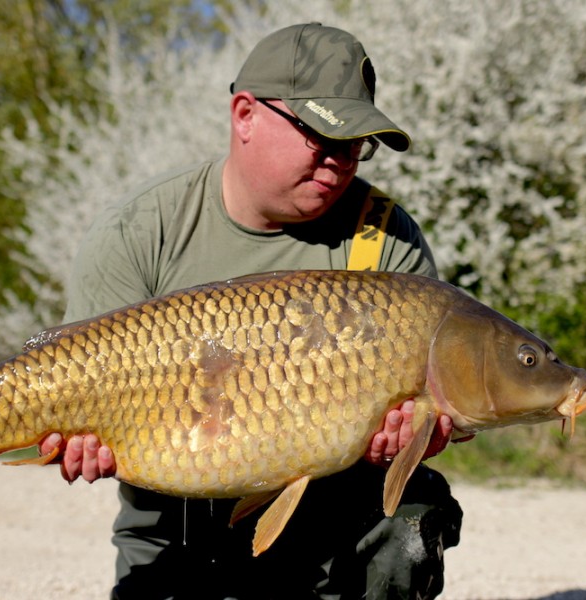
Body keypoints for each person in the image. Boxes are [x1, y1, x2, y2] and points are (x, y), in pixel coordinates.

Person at [40, 22, 464, 599]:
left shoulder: (385, 239)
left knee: (411, 512)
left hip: (329, 522)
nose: (341, 163)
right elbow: (74, 408)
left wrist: (421, 433)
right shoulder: (141, 233)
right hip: (176, 525)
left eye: (355, 145)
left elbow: (435, 406)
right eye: (322, 136)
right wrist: (75, 442)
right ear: (245, 115)